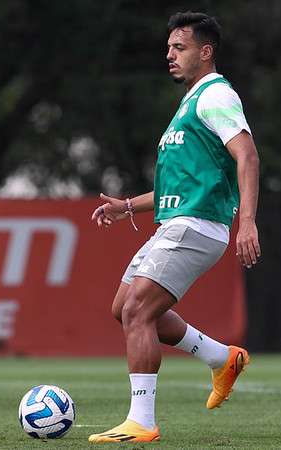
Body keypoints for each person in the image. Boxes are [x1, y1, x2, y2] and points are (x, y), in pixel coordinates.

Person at [88, 11, 261, 444]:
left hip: (198, 226)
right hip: (176, 221)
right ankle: (222, 358)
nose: (170, 55)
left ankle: (142, 421)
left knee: (137, 311)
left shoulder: (215, 96)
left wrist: (248, 223)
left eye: (179, 48)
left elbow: (248, 156)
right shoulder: (189, 103)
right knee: (124, 307)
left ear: (206, 52)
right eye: (168, 48)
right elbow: (174, 187)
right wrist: (127, 205)